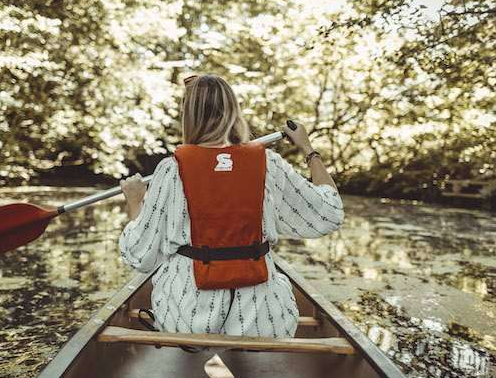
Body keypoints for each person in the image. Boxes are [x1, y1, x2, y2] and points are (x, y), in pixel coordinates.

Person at [118, 74, 343, 338]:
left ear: (188, 116)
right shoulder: (268, 163)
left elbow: (139, 255)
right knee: (278, 285)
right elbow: (330, 213)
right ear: (234, 112)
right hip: (261, 323)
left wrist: (136, 203)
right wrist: (308, 148)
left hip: (187, 323)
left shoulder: (170, 170)